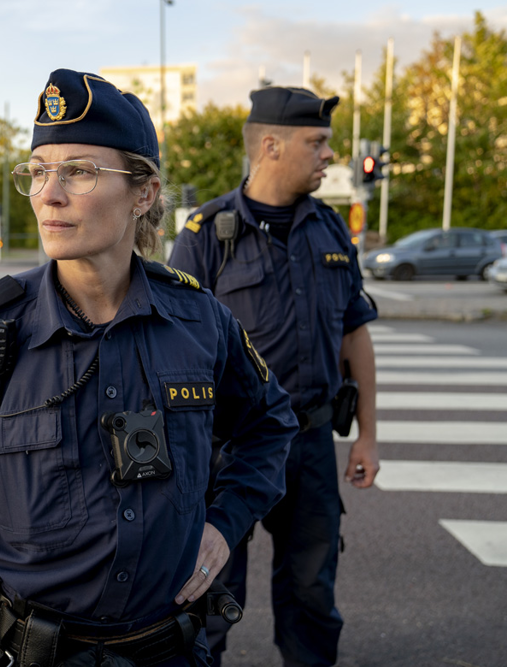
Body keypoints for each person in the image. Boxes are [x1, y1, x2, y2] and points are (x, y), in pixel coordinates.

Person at [0, 69, 297, 667]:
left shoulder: (199, 320)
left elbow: (270, 423)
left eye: (79, 171)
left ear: (144, 193)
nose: (48, 194)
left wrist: (225, 522)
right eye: (37, 171)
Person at [168, 86, 380, 667]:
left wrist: (366, 434)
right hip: (225, 448)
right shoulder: (206, 232)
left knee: (312, 587)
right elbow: (169, 344)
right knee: (208, 585)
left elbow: (354, 332)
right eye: (317, 143)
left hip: (308, 440)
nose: (328, 155)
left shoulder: (333, 230)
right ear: (270, 145)